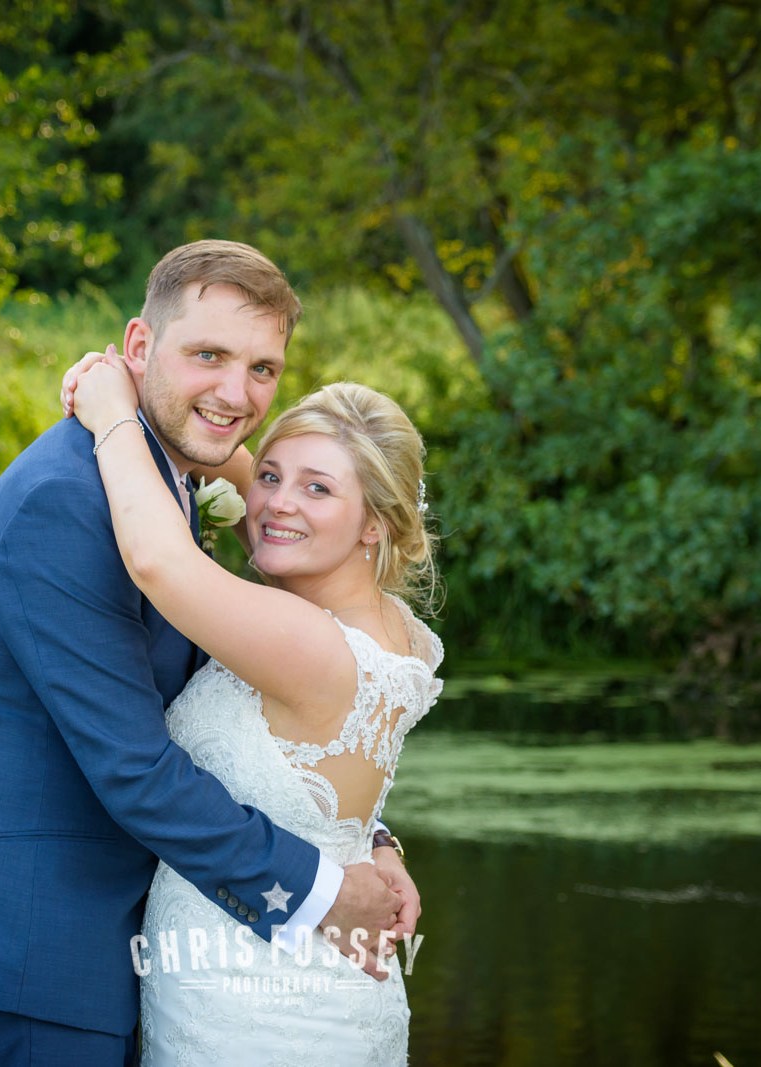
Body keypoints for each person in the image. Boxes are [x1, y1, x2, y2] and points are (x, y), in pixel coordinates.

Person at [0, 240, 416, 1066]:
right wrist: (320, 892)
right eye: (208, 355)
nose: (236, 393)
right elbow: (132, 766)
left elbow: (279, 741)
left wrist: (365, 839)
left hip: (122, 944)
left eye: (263, 368)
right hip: (19, 943)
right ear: (138, 348)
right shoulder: (66, 502)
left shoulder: (164, 484)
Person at [68, 351, 444, 1064]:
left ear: (374, 525)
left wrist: (111, 406)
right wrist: (177, 387)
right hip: (294, 970)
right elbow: (239, 468)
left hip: (257, 1006)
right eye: (274, 477)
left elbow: (155, 559)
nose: (276, 504)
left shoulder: (305, 642)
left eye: (318, 489)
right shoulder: (382, 625)